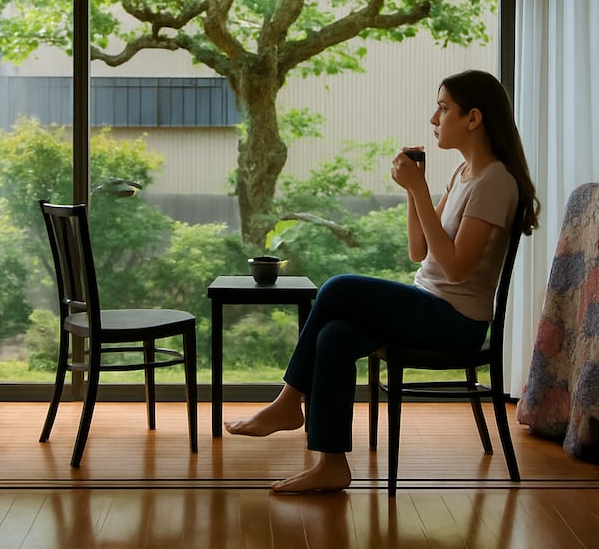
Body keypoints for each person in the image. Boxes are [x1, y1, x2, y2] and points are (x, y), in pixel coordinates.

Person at [224, 69, 540, 493]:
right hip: (429, 304)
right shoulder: (462, 174)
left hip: (456, 322)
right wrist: (415, 191)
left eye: (444, 108)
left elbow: (457, 269)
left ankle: (286, 404)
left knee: (338, 287)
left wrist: (421, 193)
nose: (434, 117)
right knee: (334, 336)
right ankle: (331, 464)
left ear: (473, 118)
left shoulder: (495, 183)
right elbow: (419, 251)